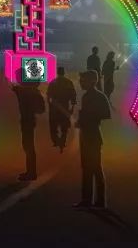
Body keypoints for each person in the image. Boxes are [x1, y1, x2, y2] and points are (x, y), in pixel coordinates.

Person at [75, 70, 111, 209]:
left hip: (93, 135)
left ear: (91, 81)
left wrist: (88, 117)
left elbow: (105, 114)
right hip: (86, 134)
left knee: (95, 167)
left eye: (83, 80)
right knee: (86, 168)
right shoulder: (88, 96)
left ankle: (99, 201)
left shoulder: (98, 97)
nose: (81, 82)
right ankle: (88, 200)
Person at [12, 71, 45, 181]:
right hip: (28, 120)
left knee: (28, 146)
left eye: (18, 77)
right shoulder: (28, 90)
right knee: (28, 146)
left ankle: (31, 172)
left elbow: (40, 109)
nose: (17, 79)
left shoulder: (25, 91)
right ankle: (30, 171)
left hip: (28, 121)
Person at [46, 66, 76, 151]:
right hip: (65, 107)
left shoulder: (53, 82)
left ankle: (56, 141)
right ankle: (62, 142)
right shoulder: (68, 82)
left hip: (54, 108)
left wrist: (50, 105)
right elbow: (73, 95)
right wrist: (72, 107)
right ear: (64, 72)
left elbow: (48, 95)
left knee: (53, 127)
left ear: (57, 72)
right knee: (64, 127)